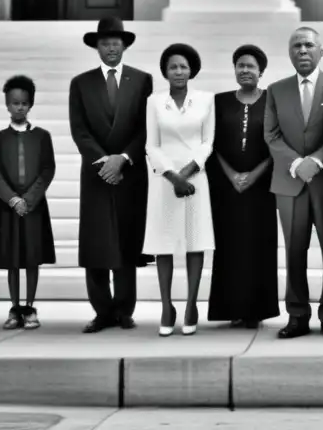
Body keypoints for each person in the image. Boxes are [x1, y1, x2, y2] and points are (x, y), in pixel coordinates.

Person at [68, 17, 153, 334]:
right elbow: (80, 130)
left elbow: (146, 127)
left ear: (125, 45)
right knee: (96, 245)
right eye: (105, 43)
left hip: (130, 174)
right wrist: (104, 162)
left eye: (116, 42)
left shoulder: (142, 81)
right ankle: (102, 311)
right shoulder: (81, 83)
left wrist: (123, 159)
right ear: (97, 47)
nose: (111, 48)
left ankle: (124, 310)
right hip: (96, 174)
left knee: (127, 244)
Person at [264, 27, 323, 339]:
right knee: (294, 251)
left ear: (320, 51)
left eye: (309, 45)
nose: (302, 50)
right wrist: (298, 163)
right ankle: (297, 316)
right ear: (289, 53)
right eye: (296, 45)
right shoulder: (276, 89)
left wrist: (318, 160)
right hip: (290, 183)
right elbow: (271, 134)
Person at [145, 43, 215, 337]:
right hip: (164, 179)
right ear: (165, 71)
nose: (178, 71)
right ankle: (166, 306)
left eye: (183, 66)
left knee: (194, 241)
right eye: (173, 66)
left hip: (196, 179)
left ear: (192, 70)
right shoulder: (153, 101)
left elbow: (207, 142)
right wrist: (173, 176)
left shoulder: (206, 99)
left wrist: (187, 173)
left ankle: (190, 305)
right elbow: (151, 144)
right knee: (164, 243)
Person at [207, 44, 279, 329]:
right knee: (230, 247)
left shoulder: (273, 100)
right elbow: (211, 144)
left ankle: (255, 310)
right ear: (234, 70)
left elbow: (276, 143)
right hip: (227, 189)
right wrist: (233, 175)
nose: (245, 70)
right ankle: (231, 307)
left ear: (261, 71)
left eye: (251, 66)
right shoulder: (220, 101)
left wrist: (253, 175)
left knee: (258, 246)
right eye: (240, 65)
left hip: (261, 189)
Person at [0, 75, 57, 330]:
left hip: (34, 207)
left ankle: (30, 307)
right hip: (8, 207)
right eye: (14, 103)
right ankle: (15, 308)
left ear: (31, 105)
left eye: (24, 103)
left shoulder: (42, 136)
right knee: (12, 259)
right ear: (6, 104)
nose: (19, 107)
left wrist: (30, 198)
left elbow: (48, 169)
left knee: (32, 258)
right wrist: (13, 199)